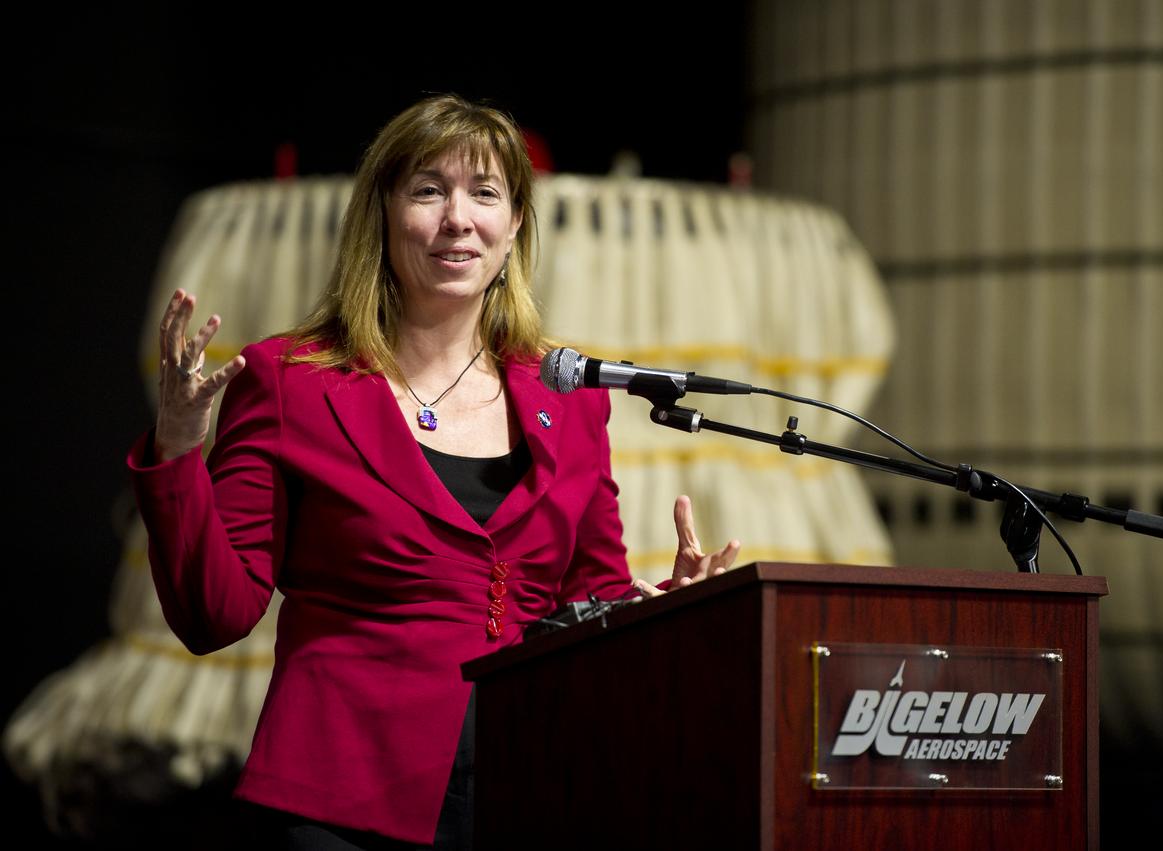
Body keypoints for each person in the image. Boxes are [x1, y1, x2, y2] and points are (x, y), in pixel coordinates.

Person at [127, 94, 739, 849]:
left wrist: (670, 614)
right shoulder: (289, 381)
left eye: (485, 193)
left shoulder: (572, 400)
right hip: (341, 797)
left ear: (514, 225)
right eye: (427, 190)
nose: (458, 218)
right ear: (381, 214)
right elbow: (213, 615)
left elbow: (592, 606)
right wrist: (178, 448)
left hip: (530, 784)